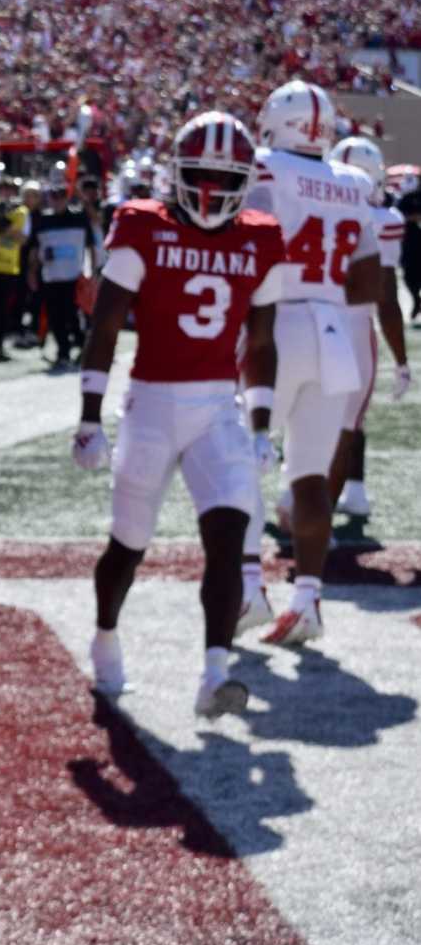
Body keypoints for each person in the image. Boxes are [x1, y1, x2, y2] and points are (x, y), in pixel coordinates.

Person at [72, 111, 285, 718]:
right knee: (129, 544)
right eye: (201, 175)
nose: (212, 190)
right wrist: (90, 417)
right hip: (152, 404)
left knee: (228, 538)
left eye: (225, 177)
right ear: (176, 173)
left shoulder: (262, 235)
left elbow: (263, 341)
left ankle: (215, 674)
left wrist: (263, 425)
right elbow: (107, 324)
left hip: (218, 405)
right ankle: (106, 635)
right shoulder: (143, 225)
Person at [238, 81, 382, 645]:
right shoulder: (352, 182)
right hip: (331, 328)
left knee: (240, 462)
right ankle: (308, 599)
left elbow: (244, 245)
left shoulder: (265, 169)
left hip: (274, 326)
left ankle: (249, 588)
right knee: (311, 477)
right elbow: (368, 278)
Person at [321, 137, 410, 519]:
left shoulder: (301, 201)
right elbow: (386, 298)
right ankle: (327, 505)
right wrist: (401, 360)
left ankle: (306, 496)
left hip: (305, 319)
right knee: (348, 420)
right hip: (353, 326)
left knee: (309, 417)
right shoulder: (384, 221)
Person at [25, 183, 97, 367]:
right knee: (56, 318)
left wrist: (93, 273)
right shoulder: (43, 220)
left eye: (61, 196)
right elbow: (34, 249)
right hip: (51, 277)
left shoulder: (80, 217)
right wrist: (32, 272)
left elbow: (91, 246)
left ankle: (84, 348)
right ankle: (62, 353)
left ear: (67, 197)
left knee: (74, 317)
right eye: (53, 196)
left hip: (75, 277)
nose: (57, 200)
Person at [0, 178, 26, 360]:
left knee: (2, 308)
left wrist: (1, 221)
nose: (6, 193)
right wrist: (1, 221)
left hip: (8, 266)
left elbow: (17, 234)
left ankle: (0, 344)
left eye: (10, 190)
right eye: (3, 189)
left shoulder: (21, 211)